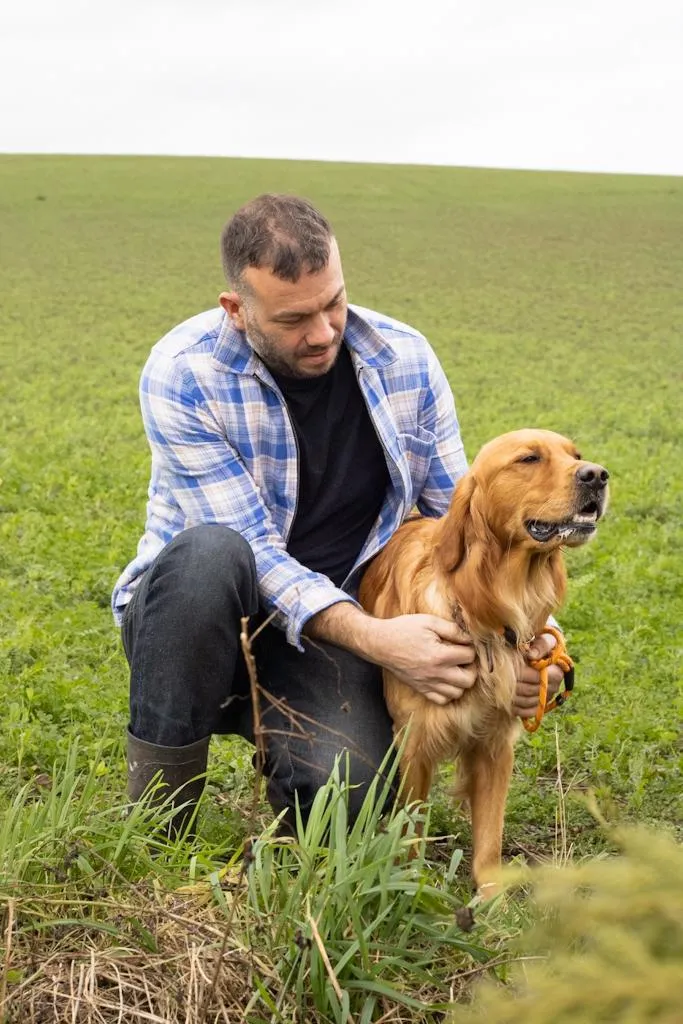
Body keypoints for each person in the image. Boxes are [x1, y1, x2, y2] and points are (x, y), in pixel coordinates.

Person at [112, 193, 567, 835]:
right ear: (237, 310)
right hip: (197, 618)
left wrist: (533, 647)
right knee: (211, 554)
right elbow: (257, 553)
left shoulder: (403, 358)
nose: (324, 332)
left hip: (330, 630)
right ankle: (158, 824)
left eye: (334, 303)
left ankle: (291, 747)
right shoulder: (184, 374)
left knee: (348, 804)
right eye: (296, 318)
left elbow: (458, 524)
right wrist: (381, 640)